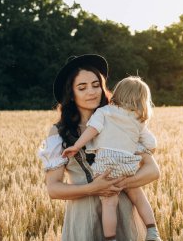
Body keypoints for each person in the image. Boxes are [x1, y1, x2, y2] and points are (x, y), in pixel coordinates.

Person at [38, 54, 160, 241]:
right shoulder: (59, 132)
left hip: (124, 213)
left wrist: (117, 184)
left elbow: (152, 171)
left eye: (96, 85)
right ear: (71, 93)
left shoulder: (120, 119)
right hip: (83, 218)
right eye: (82, 87)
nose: (92, 92)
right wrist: (94, 188)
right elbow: (53, 190)